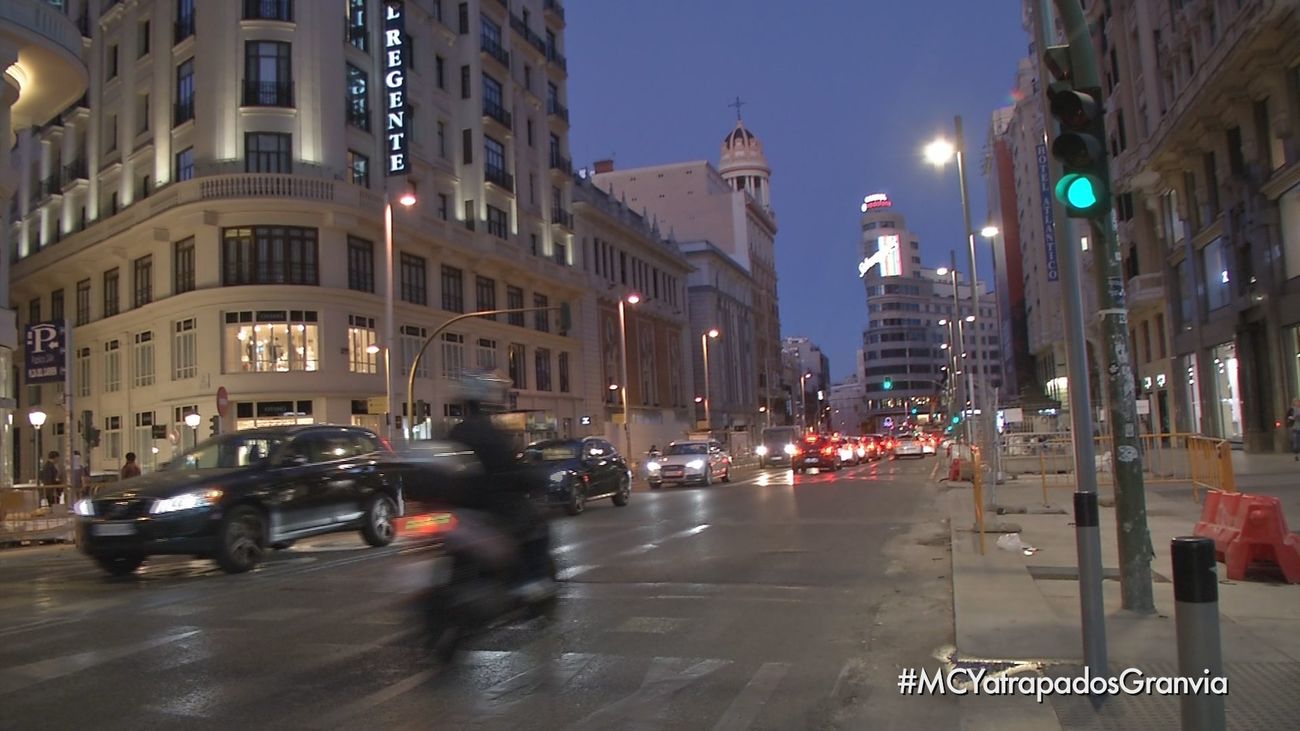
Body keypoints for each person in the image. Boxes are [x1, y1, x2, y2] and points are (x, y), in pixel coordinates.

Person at [445, 370, 553, 596]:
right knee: (537, 526)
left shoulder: (455, 431)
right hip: (494, 507)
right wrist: (535, 478)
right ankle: (530, 583)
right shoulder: (492, 433)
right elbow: (511, 469)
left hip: (461, 509)